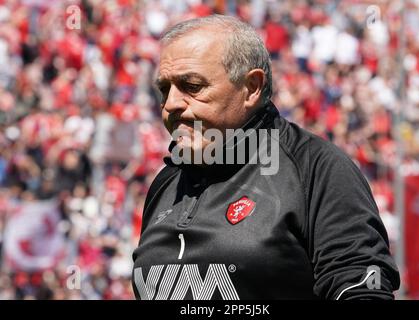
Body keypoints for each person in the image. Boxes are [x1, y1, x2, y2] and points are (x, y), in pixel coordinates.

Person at [132, 14, 400, 300]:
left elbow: (362, 293)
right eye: (164, 89)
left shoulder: (316, 168)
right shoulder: (165, 184)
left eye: (192, 86)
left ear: (251, 88)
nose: (171, 104)